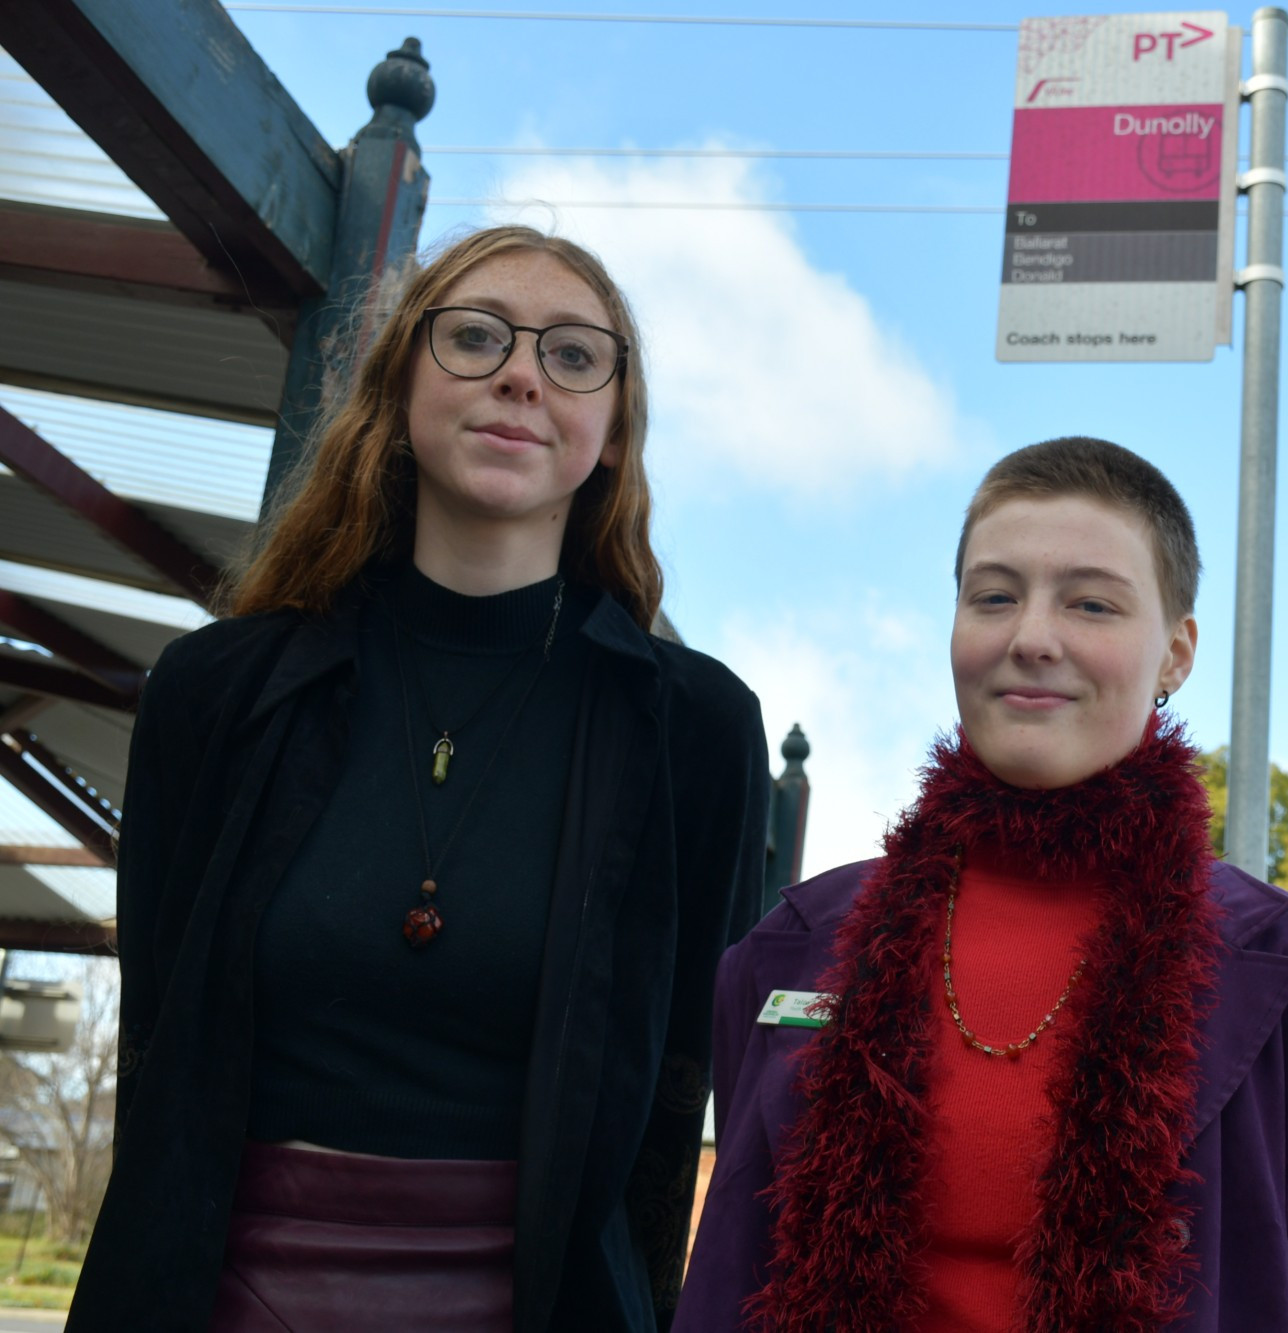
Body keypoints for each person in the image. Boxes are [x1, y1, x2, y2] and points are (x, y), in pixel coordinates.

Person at [69, 225, 770, 1332]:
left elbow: (677, 1099)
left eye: (574, 355)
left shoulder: (694, 730)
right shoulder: (216, 692)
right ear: (399, 380)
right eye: (475, 337)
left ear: (613, 427)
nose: (520, 374)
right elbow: (160, 1046)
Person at [678, 437, 1288, 1331]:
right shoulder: (791, 944)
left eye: (1092, 603)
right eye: (994, 596)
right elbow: (723, 1283)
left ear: (1176, 653)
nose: (1032, 637)